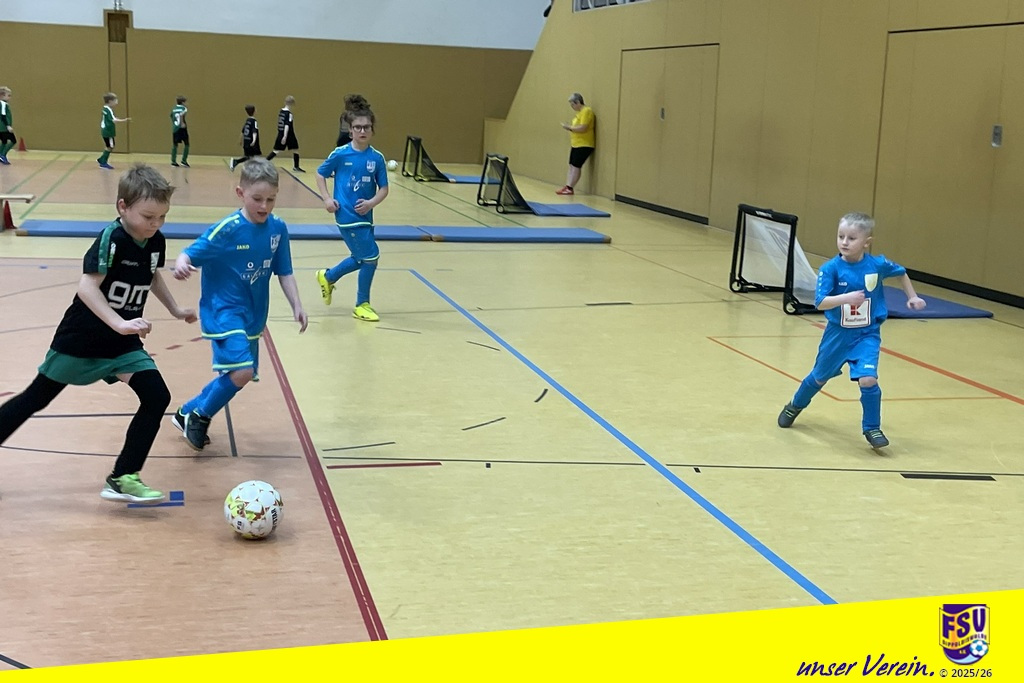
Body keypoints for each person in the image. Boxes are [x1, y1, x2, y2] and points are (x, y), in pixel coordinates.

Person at [0, 163, 196, 502]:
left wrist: (175, 310)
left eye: (162, 217)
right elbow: (87, 287)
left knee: (156, 396)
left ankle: (123, 476)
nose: (156, 224)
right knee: (36, 398)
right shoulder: (112, 239)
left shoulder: (155, 241)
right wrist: (120, 323)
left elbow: (152, 275)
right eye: (148, 216)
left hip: (122, 344)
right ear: (123, 207)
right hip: (82, 339)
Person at [171, 158, 308, 451]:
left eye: (271, 199)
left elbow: (284, 271)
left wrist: (297, 304)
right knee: (243, 371)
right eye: (257, 199)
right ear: (240, 193)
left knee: (238, 375)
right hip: (223, 311)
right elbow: (190, 252)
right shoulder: (228, 229)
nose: (264, 206)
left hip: (253, 316)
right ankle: (200, 417)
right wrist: (182, 263)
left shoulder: (278, 229)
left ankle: (186, 412)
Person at [777, 212, 926, 449]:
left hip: (867, 334)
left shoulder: (877, 265)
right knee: (819, 377)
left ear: (867, 242)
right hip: (837, 335)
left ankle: (872, 428)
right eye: (841, 236)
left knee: (868, 379)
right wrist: (846, 298)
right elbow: (820, 302)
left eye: (852, 238)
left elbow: (901, 273)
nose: (844, 242)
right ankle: (795, 405)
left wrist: (913, 296)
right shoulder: (831, 269)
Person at [314, 104, 389, 323]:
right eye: (358, 127)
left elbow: (384, 189)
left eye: (366, 127)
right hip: (347, 216)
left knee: (360, 258)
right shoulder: (340, 154)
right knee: (371, 257)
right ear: (351, 130)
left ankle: (328, 276)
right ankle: (362, 304)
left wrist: (371, 203)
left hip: (366, 217)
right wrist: (327, 199)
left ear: (372, 130)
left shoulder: (377, 158)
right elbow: (320, 174)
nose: (362, 131)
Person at [556, 92, 595, 195]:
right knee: (571, 166)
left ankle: (570, 187)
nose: (572, 107)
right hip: (576, 144)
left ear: (578, 102)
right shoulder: (579, 113)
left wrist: (569, 127)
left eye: (572, 104)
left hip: (584, 144)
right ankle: (567, 185)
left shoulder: (586, 111)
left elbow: (583, 128)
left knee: (576, 166)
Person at [265, 95, 303, 172]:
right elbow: (287, 125)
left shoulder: (281, 112)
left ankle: (296, 166)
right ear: (292, 104)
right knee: (292, 150)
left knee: (281, 150)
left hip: (280, 132)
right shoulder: (289, 114)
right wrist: (285, 136)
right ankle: (296, 167)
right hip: (288, 134)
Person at [98, 92, 130, 170]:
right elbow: (114, 120)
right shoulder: (108, 110)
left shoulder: (105, 109)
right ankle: (103, 162)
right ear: (110, 101)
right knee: (110, 146)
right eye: (115, 100)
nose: (117, 102)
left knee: (109, 146)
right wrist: (124, 120)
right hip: (108, 131)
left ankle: (101, 159)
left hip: (106, 130)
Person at [230, 104, 261, 171]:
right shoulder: (254, 121)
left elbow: (243, 131)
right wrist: (254, 141)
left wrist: (241, 139)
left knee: (249, 157)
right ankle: (236, 161)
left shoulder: (247, 121)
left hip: (246, 141)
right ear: (254, 111)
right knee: (254, 156)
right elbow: (254, 131)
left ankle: (247, 168)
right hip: (251, 142)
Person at [170, 94, 190, 168]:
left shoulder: (173, 109)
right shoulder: (184, 108)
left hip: (175, 128)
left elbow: (171, 116)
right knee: (187, 144)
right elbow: (181, 115)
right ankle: (184, 161)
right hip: (182, 128)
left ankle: (173, 161)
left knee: (175, 145)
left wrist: (175, 124)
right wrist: (182, 123)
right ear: (183, 102)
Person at [0, 86, 15, 165]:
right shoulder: (3, 104)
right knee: (13, 140)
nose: (10, 97)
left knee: (4, 141)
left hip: (2, 127)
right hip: (3, 127)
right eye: (8, 95)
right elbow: (3, 116)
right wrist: (8, 125)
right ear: (2, 96)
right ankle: (2, 155)